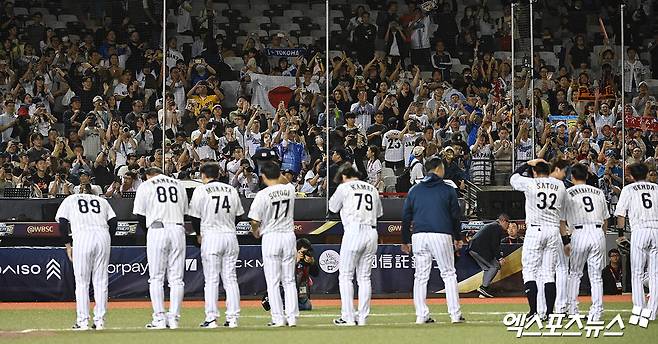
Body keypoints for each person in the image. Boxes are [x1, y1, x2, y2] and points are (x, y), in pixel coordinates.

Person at [401, 158, 464, 324]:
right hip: (441, 234)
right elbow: (455, 216)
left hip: (419, 236)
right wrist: (458, 237)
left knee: (420, 276)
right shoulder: (447, 189)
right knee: (449, 274)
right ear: (438, 169)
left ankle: (421, 315)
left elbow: (406, 217)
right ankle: (455, 315)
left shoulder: (414, 190)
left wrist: (405, 240)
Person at [510, 159, 569, 319]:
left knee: (529, 271)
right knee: (549, 273)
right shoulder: (560, 185)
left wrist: (528, 163)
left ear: (535, 172)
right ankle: (549, 313)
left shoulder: (530, 183)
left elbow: (513, 178)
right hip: (553, 230)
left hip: (535, 229)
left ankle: (534, 311)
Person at [188, 163, 244, 329]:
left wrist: (198, 234)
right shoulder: (231, 189)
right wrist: (227, 225)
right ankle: (233, 318)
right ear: (218, 174)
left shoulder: (201, 190)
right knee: (231, 278)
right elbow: (240, 216)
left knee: (211, 279)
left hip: (211, 236)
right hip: (230, 236)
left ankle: (211, 318)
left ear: (203, 175)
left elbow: (194, 218)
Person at [133, 167, 188, 329]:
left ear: (149, 175)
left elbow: (139, 215)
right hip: (178, 228)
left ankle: (159, 318)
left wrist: (149, 232)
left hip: (157, 229)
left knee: (156, 277)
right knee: (177, 279)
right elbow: (185, 212)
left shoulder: (146, 185)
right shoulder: (178, 184)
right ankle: (174, 319)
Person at [329, 166, 383, 326]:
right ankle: (363, 317)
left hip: (354, 231)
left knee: (346, 276)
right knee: (364, 277)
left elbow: (332, 207)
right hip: (372, 232)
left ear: (345, 175)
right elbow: (379, 213)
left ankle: (348, 317)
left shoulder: (344, 187)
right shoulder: (372, 188)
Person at [55, 193, 117, 330]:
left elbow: (62, 223)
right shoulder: (101, 200)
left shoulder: (70, 199)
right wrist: (107, 238)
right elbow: (114, 222)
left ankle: (82, 322)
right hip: (103, 235)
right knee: (101, 281)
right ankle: (100, 321)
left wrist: (67, 245)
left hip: (83, 236)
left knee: (82, 282)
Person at [248, 161, 298, 327]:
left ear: (263, 176)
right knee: (289, 280)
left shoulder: (262, 194)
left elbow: (254, 220)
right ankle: (292, 318)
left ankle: (278, 318)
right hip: (289, 236)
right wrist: (277, 172)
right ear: (279, 174)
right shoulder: (290, 189)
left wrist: (255, 231)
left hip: (271, 237)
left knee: (273, 281)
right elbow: (284, 180)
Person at [563, 163, 609, 321]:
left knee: (575, 273)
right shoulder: (598, 192)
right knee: (596, 276)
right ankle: (596, 313)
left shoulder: (568, 192)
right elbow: (605, 219)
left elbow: (562, 220)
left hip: (579, 233)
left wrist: (565, 241)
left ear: (572, 177)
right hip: (597, 232)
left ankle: (572, 311)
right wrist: (601, 236)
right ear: (588, 175)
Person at [614, 163, 658, 321]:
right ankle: (652, 312)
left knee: (638, 273)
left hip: (639, 231)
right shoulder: (656, 188)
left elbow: (620, 214)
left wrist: (620, 234)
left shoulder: (628, 189)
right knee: (655, 274)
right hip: (656, 230)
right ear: (647, 174)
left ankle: (640, 310)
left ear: (632, 176)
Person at [468, 214, 511, 298]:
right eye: (507, 223)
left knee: (487, 268)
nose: (508, 226)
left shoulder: (493, 225)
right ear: (502, 221)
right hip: (478, 249)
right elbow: (494, 244)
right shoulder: (497, 227)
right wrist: (499, 258)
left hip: (473, 248)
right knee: (495, 266)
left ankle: (483, 292)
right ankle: (483, 288)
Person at [295, 238, 319, 311]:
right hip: (288, 292)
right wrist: (296, 261)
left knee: (307, 307)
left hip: (302, 294)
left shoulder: (306, 261)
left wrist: (312, 263)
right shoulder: (289, 258)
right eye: (303, 252)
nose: (306, 253)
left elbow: (316, 274)